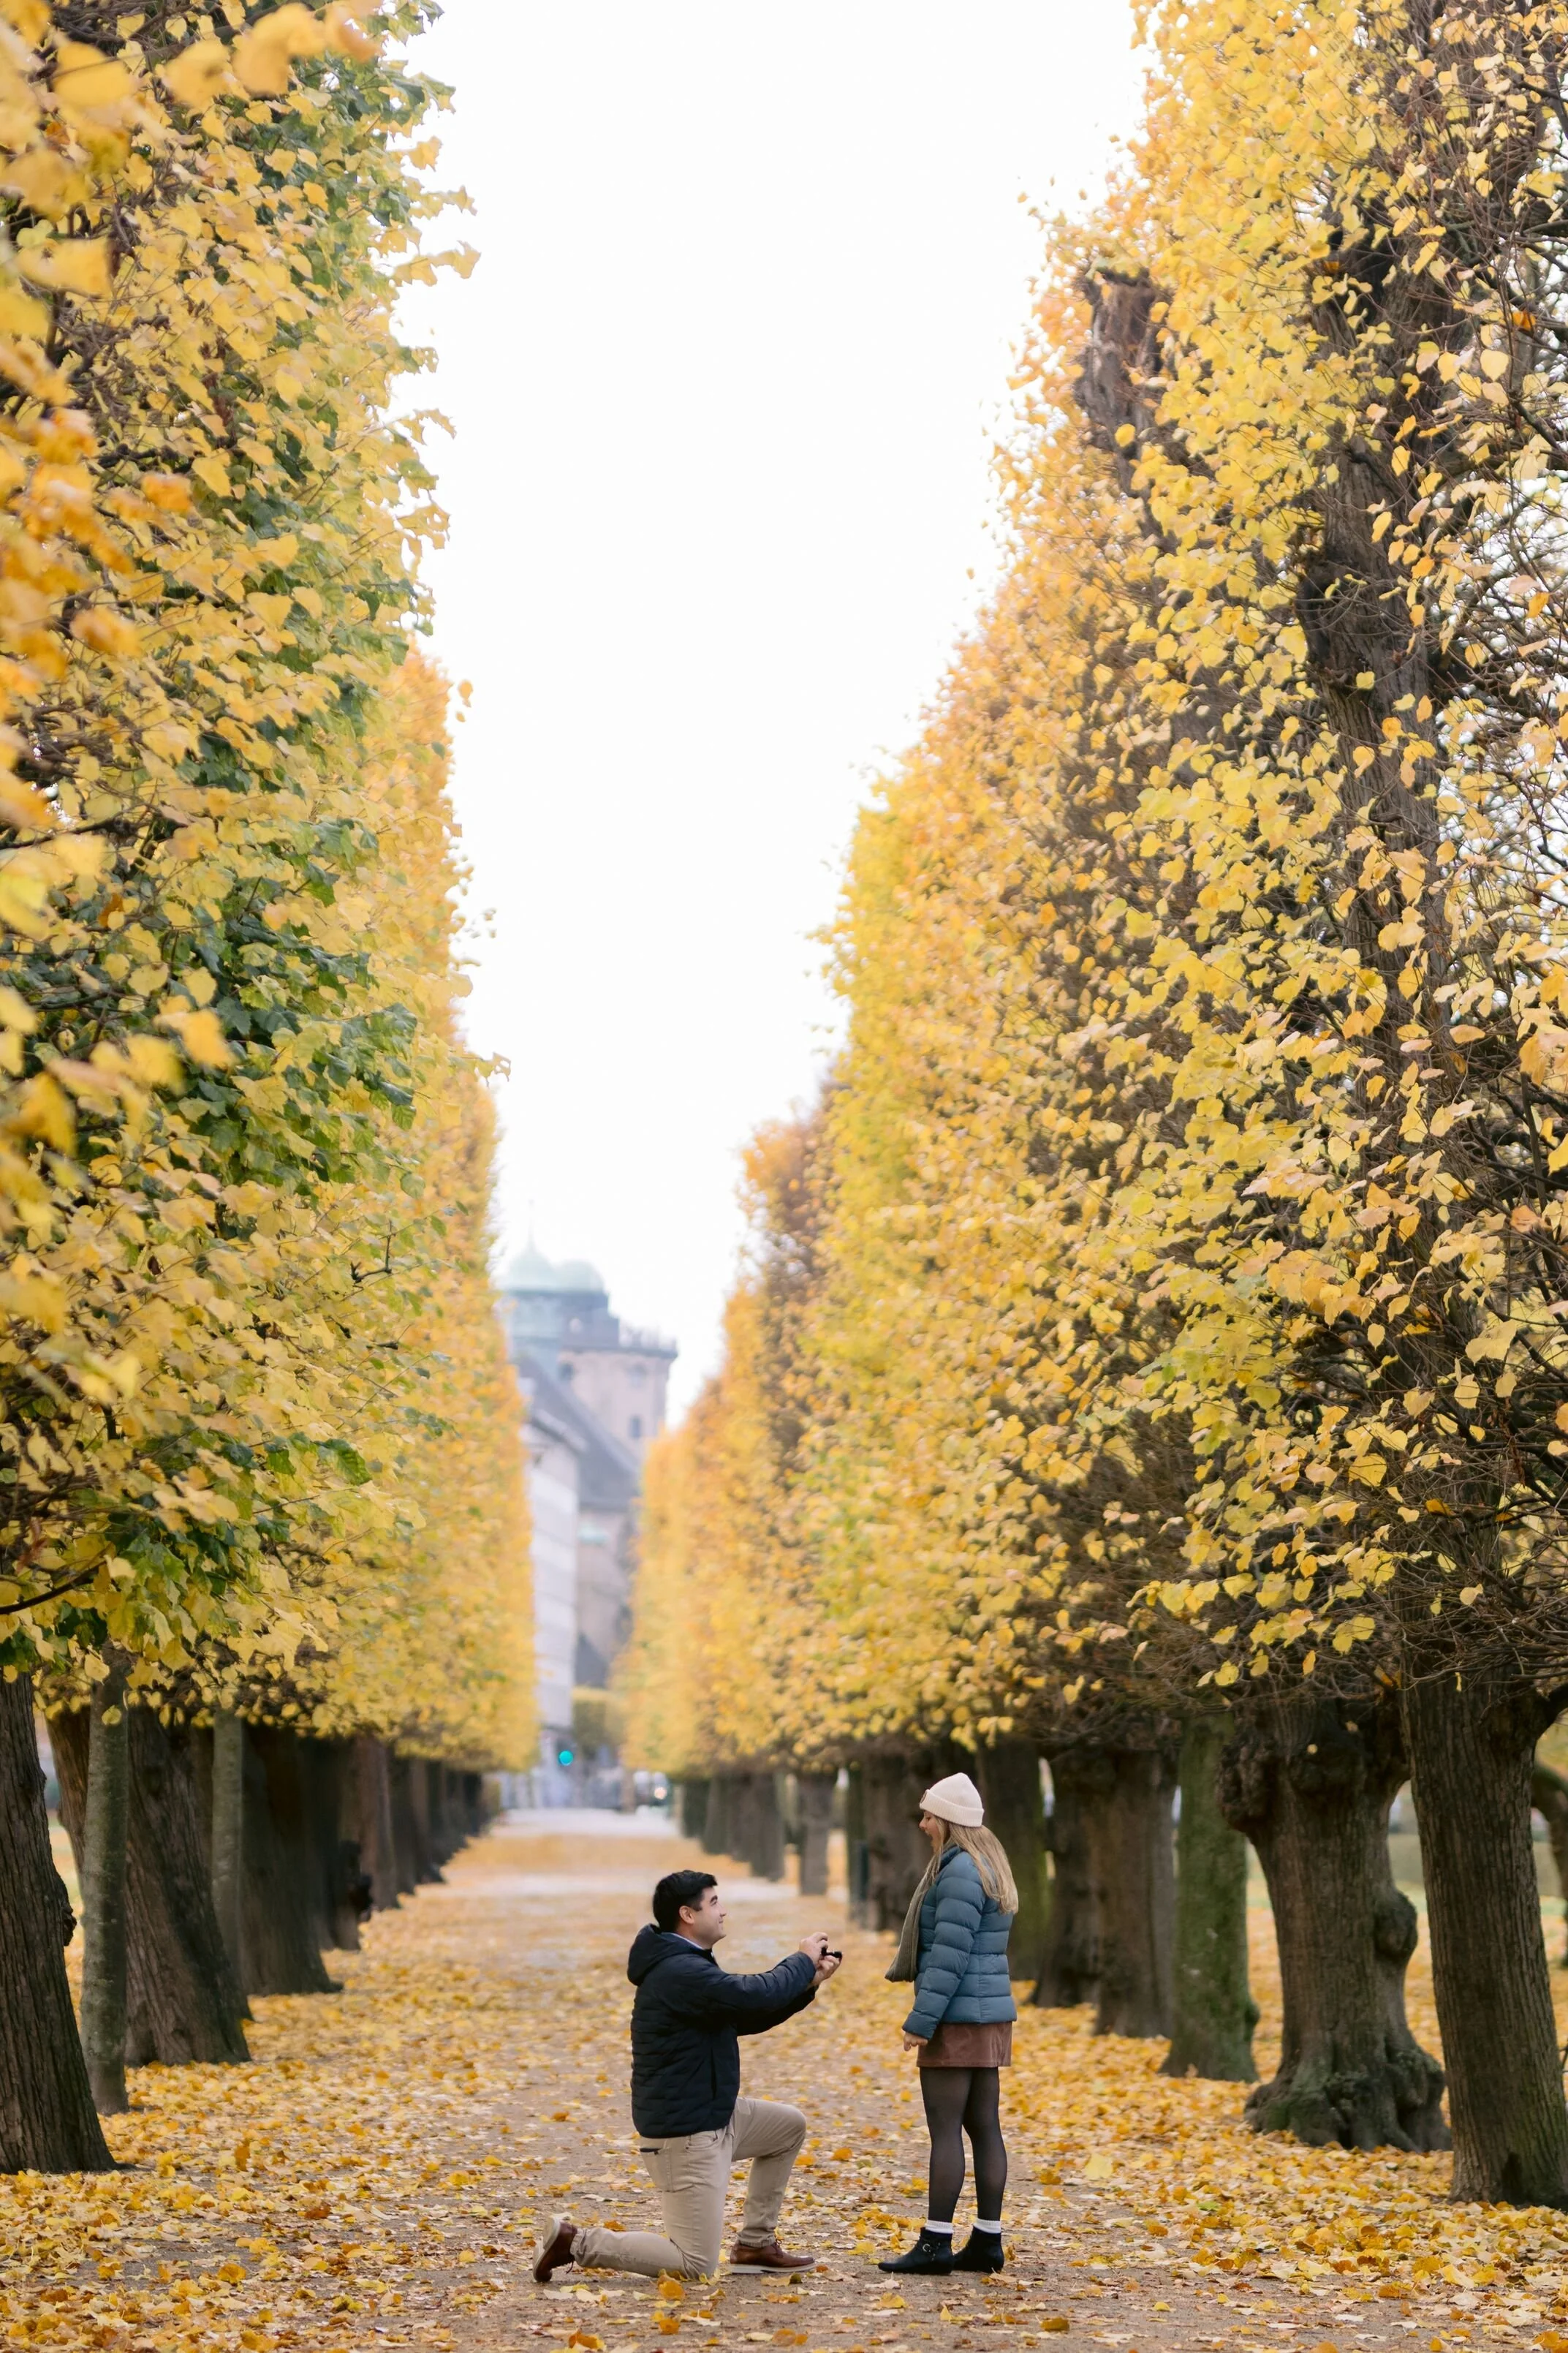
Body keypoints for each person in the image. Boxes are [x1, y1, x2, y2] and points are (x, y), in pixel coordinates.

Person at [534, 1867, 841, 2284]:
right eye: (714, 1903)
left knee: (787, 2127)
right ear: (688, 1915)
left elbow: (742, 2015)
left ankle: (755, 2245)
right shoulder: (679, 1972)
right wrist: (801, 1961)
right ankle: (575, 2242)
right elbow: (752, 1995)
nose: (723, 1911)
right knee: (694, 2264)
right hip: (686, 2136)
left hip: (715, 2115)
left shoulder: (685, 1964)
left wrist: (808, 1984)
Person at [878, 1772, 1018, 2277]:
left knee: (945, 2132)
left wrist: (922, 2021)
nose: (922, 1824)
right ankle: (986, 2240)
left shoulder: (959, 1871)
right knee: (984, 2128)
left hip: (957, 2018)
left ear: (949, 1821)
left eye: (929, 1815)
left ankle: (935, 2243)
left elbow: (948, 1956)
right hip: (988, 2016)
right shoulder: (987, 1862)